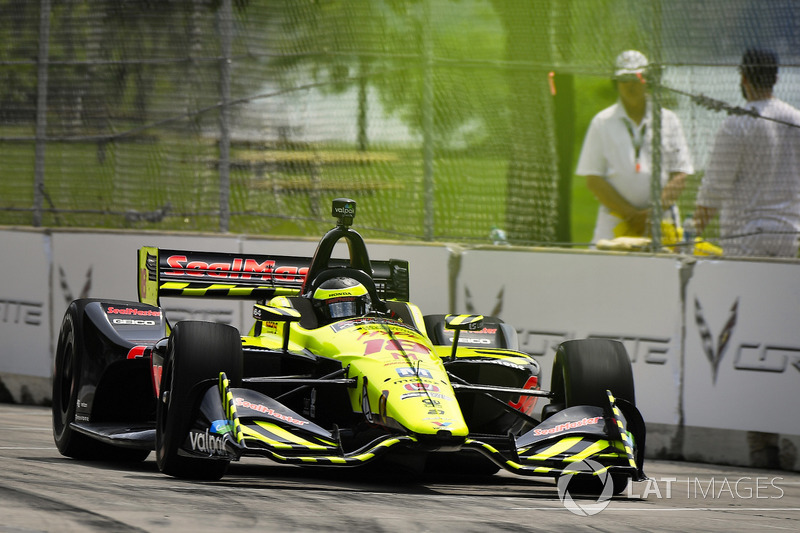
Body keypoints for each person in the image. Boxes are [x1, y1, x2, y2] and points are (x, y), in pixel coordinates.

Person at [576, 50, 694, 245]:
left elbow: (680, 176)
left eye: (637, 77)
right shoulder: (601, 122)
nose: (630, 84)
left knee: (662, 274)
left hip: (660, 222)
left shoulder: (669, 120)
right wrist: (631, 215)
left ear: (647, 79)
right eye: (624, 78)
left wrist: (652, 214)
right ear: (615, 82)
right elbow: (593, 179)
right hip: (614, 223)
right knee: (606, 273)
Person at [695, 48, 800, 258]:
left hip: (744, 235)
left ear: (743, 78)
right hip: (789, 234)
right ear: (776, 79)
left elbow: (714, 188)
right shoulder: (795, 119)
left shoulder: (735, 124)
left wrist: (690, 236)